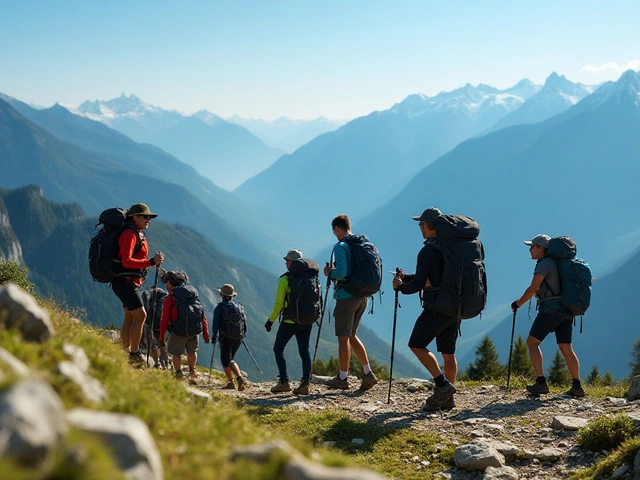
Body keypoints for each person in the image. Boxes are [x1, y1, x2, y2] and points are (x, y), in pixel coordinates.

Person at [392, 207, 458, 411]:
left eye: (420, 224)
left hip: (435, 307)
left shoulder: (428, 250)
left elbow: (418, 284)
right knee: (448, 352)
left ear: (427, 225)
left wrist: (400, 286)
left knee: (416, 344)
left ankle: (442, 385)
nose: (419, 227)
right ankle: (448, 399)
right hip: (455, 306)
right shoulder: (451, 247)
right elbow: (431, 276)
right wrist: (407, 278)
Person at [511, 234, 585, 398]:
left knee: (531, 343)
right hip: (566, 310)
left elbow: (532, 288)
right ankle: (577, 386)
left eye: (532, 246)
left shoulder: (544, 264)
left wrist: (517, 304)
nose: (530, 250)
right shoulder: (559, 264)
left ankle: (541, 382)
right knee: (566, 347)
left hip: (551, 310)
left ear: (541, 249)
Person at [323, 214, 378, 391]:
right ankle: (368, 373)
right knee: (352, 334)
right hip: (363, 296)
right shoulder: (362, 243)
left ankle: (343, 377)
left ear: (337, 229)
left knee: (343, 337)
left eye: (334, 232)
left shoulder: (341, 246)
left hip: (347, 297)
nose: (335, 235)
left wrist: (329, 273)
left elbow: (342, 272)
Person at [110, 202, 164, 366]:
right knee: (141, 316)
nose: (149, 219)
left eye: (150, 217)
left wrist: (151, 262)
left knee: (130, 317)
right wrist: (150, 262)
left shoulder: (138, 233)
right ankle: (134, 354)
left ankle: (123, 352)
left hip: (128, 281)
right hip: (125, 282)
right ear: (135, 217)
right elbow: (126, 261)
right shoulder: (129, 234)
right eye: (146, 217)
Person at [265, 249, 313, 396]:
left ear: (293, 263)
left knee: (278, 349)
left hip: (290, 320)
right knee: (305, 352)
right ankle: (305, 384)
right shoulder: (311, 277)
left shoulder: (285, 280)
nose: (286, 262)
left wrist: (270, 321)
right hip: (307, 320)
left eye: (288, 260)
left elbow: (279, 304)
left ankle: (284, 382)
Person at [158, 271, 210, 381]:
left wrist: (161, 337)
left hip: (178, 331)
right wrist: (205, 333)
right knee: (192, 351)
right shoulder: (193, 294)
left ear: (170, 283)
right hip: (194, 330)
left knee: (176, 353)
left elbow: (164, 319)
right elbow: (202, 315)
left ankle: (178, 373)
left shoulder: (170, 298)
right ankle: (193, 372)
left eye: (167, 282)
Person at [211, 284, 247, 391]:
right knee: (230, 358)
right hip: (238, 337)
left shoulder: (220, 308)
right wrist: (243, 334)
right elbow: (244, 322)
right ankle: (233, 380)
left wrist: (214, 335)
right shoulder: (239, 306)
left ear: (221, 295)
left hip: (226, 336)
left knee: (226, 360)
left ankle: (235, 380)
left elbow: (216, 324)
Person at [141, 284, 169, 369]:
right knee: (162, 345)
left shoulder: (148, 296)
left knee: (153, 346)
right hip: (161, 325)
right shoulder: (164, 296)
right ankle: (166, 364)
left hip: (150, 324)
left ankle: (157, 364)